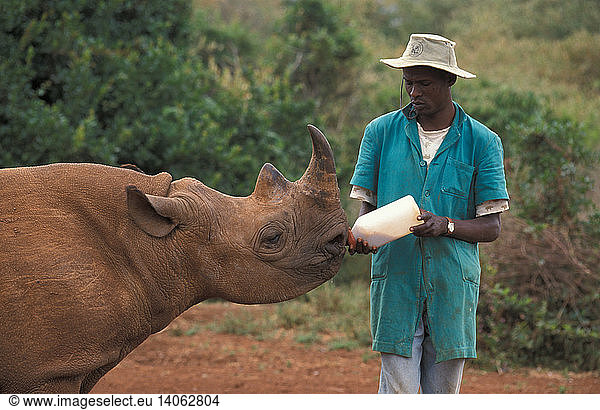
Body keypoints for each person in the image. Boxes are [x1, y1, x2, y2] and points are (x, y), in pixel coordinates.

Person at [347, 34, 509, 394]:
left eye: (424, 84)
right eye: (409, 83)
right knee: (399, 393)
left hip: (452, 289)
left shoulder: (482, 142)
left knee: (442, 395)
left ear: (448, 81)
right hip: (396, 284)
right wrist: (363, 238)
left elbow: (491, 226)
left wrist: (446, 225)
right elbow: (367, 212)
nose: (414, 93)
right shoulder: (380, 133)